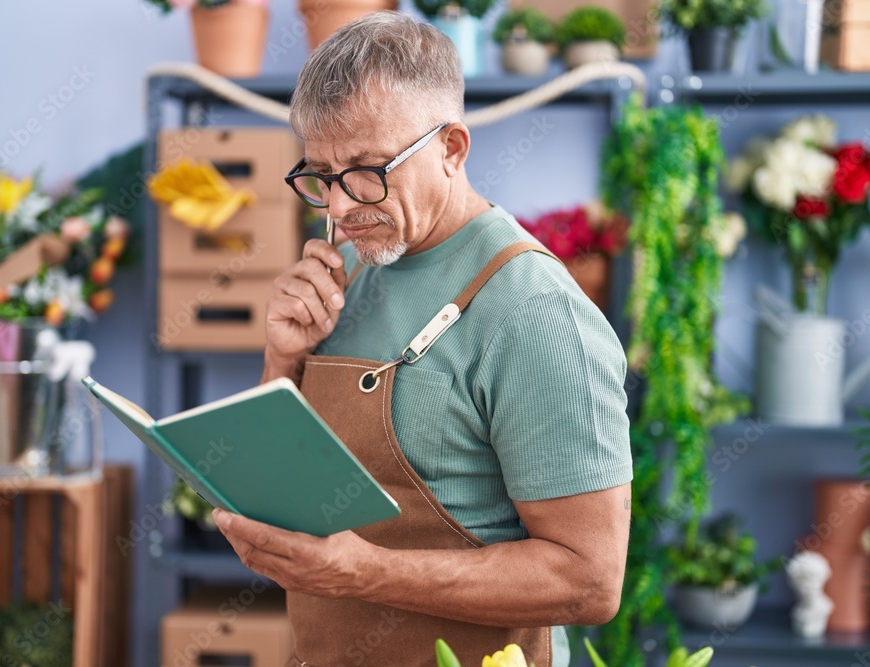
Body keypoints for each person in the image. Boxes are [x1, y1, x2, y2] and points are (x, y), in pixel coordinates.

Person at [212, 12, 632, 667]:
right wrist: (282, 358)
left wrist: (364, 572)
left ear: (452, 148)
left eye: (367, 171)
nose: (342, 210)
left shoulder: (537, 314)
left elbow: (589, 580)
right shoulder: (346, 271)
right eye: (321, 175)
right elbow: (290, 487)